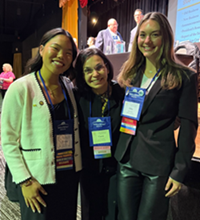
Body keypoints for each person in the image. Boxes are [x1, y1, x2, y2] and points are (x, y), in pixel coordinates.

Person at [115, 12, 198, 220]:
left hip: (158, 165)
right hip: (127, 159)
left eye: (155, 35)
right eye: (142, 35)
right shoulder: (130, 72)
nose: (147, 41)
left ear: (166, 38)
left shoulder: (184, 76)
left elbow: (188, 127)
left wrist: (179, 171)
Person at [1, 27, 82, 220]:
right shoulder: (21, 88)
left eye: (68, 53)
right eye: (56, 48)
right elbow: (8, 140)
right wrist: (25, 181)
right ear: (41, 49)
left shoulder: (68, 86)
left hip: (67, 174)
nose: (61, 55)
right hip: (37, 178)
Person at [74, 48, 124, 220]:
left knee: (114, 212)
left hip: (117, 167)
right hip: (89, 168)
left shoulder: (122, 94)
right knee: (91, 213)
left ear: (107, 68)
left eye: (99, 68)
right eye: (87, 70)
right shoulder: (77, 97)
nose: (95, 74)